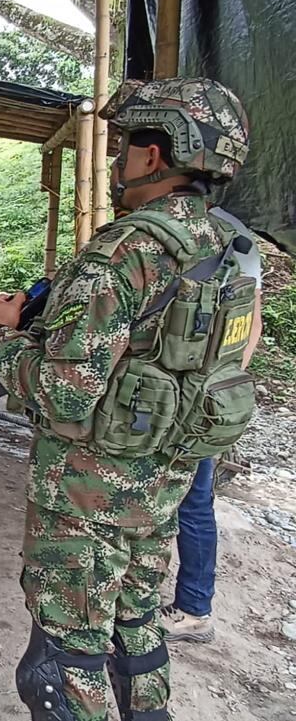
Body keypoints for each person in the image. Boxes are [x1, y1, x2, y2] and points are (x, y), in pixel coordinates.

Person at [0, 78, 255, 721]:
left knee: (63, 661)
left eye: (125, 145)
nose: (116, 161)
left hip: (88, 496)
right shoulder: (222, 248)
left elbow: (63, 396)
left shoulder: (121, 255)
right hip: (163, 484)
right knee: (136, 626)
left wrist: (1, 335)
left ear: (153, 156)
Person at [159, 207, 262, 643]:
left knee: (184, 501)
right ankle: (193, 607)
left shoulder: (170, 224)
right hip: (211, 397)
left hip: (173, 399)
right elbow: (251, 324)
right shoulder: (239, 238)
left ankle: (192, 609)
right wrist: (220, 388)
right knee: (195, 503)